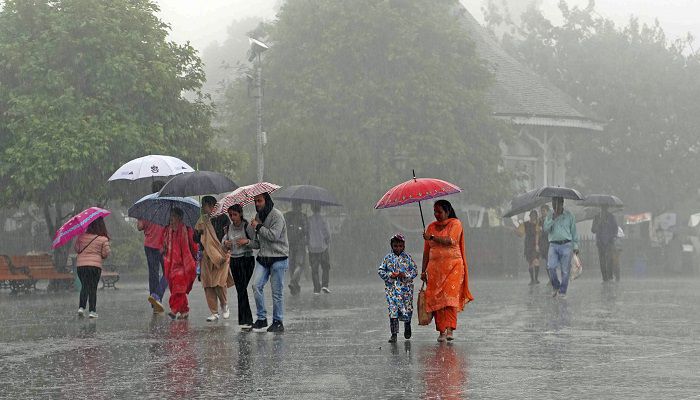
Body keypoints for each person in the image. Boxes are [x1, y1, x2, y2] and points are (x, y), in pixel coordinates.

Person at [421, 200, 474, 342]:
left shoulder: (456, 224)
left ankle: (450, 329)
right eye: (435, 212)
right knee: (437, 299)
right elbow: (426, 252)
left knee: (450, 299)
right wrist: (423, 271)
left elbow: (451, 240)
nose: (436, 214)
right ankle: (441, 331)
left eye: (439, 211)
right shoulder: (430, 227)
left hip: (453, 268)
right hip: (435, 271)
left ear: (447, 211)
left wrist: (431, 237)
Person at [249, 193, 289, 333]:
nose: (257, 204)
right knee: (256, 286)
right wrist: (246, 241)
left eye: (259, 200)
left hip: (278, 257)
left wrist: (258, 227)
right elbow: (257, 243)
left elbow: (273, 236)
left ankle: (278, 321)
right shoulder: (258, 216)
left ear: (266, 200)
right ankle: (261, 318)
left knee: (276, 292)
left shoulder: (277, 215)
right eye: (255, 201)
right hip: (263, 258)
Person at [195, 196, 233, 322]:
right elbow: (195, 239)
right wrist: (198, 232)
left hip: (221, 255)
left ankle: (224, 305)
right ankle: (214, 312)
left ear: (211, 205)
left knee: (219, 282)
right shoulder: (202, 220)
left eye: (204, 205)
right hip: (206, 256)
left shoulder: (223, 218)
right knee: (208, 284)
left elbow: (229, 235)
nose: (202, 208)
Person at [222, 204, 256, 330]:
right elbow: (223, 243)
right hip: (235, 261)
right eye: (230, 215)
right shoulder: (228, 228)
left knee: (242, 290)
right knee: (240, 290)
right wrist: (226, 243)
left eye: (235, 215)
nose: (232, 217)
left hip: (247, 260)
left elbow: (256, 243)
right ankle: (245, 321)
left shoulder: (247, 227)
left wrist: (246, 242)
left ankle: (247, 320)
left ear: (240, 214)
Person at [378, 233, 417, 343]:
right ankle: (394, 334)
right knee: (393, 311)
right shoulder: (387, 258)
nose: (398, 248)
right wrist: (390, 275)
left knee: (407, 309)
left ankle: (407, 325)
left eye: (400, 246)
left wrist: (405, 275)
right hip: (392, 290)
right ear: (391, 245)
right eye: (395, 246)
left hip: (406, 290)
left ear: (404, 246)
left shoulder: (408, 258)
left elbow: (414, 271)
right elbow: (380, 271)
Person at [162, 207, 198, 320]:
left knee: (179, 289)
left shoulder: (187, 230)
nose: (171, 219)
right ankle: (184, 310)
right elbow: (163, 245)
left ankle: (174, 309)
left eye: (173, 217)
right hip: (171, 264)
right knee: (175, 289)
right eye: (170, 217)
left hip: (184, 265)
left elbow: (193, 246)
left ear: (180, 218)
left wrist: (195, 258)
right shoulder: (167, 231)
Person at [138, 181, 168, 313]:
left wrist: (141, 218)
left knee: (153, 274)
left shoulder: (146, 205)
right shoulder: (167, 205)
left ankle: (155, 302)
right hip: (164, 245)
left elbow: (140, 227)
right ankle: (158, 296)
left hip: (149, 245)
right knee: (168, 272)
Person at [543, 197, 579, 299]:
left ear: (562, 204)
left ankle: (562, 292)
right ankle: (556, 286)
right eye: (553, 204)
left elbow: (574, 232)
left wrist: (575, 246)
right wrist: (552, 219)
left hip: (566, 245)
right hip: (553, 245)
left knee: (565, 271)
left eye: (557, 204)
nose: (555, 207)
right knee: (551, 267)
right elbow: (545, 229)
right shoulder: (550, 215)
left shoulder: (569, 215)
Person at [75, 217, 111, 318]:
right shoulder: (103, 239)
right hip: (94, 267)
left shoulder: (81, 237)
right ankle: (92, 310)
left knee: (84, 286)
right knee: (93, 288)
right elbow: (105, 254)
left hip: (81, 266)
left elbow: (77, 249)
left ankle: (81, 307)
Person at [284, 201, 308, 296]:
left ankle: (295, 286)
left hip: (290, 244)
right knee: (300, 264)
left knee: (292, 264)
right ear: (300, 207)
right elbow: (306, 230)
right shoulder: (303, 216)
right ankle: (293, 282)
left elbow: (284, 229)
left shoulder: (287, 216)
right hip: (300, 244)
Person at [307, 203, 332, 294]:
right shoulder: (324, 219)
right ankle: (325, 285)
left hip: (312, 248)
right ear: (320, 209)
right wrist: (328, 241)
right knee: (325, 267)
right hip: (323, 247)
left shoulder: (309, 220)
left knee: (314, 269)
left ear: (312, 208)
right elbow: (328, 233)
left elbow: (307, 232)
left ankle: (316, 288)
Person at [591, 206, 619, 282]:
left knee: (609, 259)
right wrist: (599, 224)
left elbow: (615, 228)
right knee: (602, 261)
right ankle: (604, 277)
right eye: (602, 208)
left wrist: (613, 236)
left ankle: (610, 276)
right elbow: (593, 230)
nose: (604, 210)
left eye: (605, 208)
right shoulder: (596, 217)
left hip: (609, 241)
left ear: (607, 208)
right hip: (600, 242)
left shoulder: (611, 217)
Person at [515, 210, 541, 285]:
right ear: (530, 216)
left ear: (536, 216)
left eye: (534, 216)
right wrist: (517, 230)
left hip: (535, 244)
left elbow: (537, 234)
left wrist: (536, 244)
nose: (533, 217)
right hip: (528, 244)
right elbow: (520, 234)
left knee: (536, 261)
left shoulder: (538, 224)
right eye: (532, 215)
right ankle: (532, 279)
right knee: (530, 263)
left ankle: (536, 279)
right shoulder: (525, 224)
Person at [539, 205, 551, 270]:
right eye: (541, 211)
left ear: (547, 211)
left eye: (544, 211)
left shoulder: (550, 220)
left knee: (550, 260)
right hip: (544, 242)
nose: (542, 212)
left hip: (550, 241)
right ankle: (551, 278)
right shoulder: (540, 220)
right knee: (547, 259)